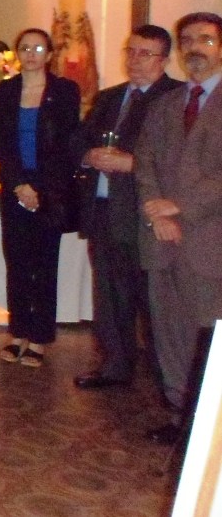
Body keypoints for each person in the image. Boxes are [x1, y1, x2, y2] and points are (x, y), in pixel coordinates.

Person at [72, 25, 181, 391]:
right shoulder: (109, 97)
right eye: (130, 51)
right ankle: (115, 366)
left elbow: (177, 160)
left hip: (145, 213)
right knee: (109, 293)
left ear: (164, 60)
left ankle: (167, 376)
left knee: (152, 298)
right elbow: (77, 141)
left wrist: (130, 163)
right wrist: (88, 155)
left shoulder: (175, 98)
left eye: (144, 54)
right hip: (103, 209)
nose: (134, 60)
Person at [136, 12, 222, 445]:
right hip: (161, 239)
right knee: (169, 334)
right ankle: (180, 416)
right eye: (187, 40)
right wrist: (158, 213)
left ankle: (212, 428)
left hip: (209, 242)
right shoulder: (166, 104)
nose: (195, 48)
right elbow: (145, 163)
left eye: (205, 40)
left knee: (209, 334)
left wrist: (180, 206)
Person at [0, 28, 80, 368]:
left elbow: (66, 145)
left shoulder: (64, 91)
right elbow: (0, 142)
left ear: (50, 55)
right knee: (16, 261)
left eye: (38, 48)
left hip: (49, 190)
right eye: (25, 48)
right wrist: (19, 185)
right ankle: (17, 333)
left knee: (43, 264)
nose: (31, 54)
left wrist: (38, 188)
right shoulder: (7, 90)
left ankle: (39, 336)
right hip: (14, 187)